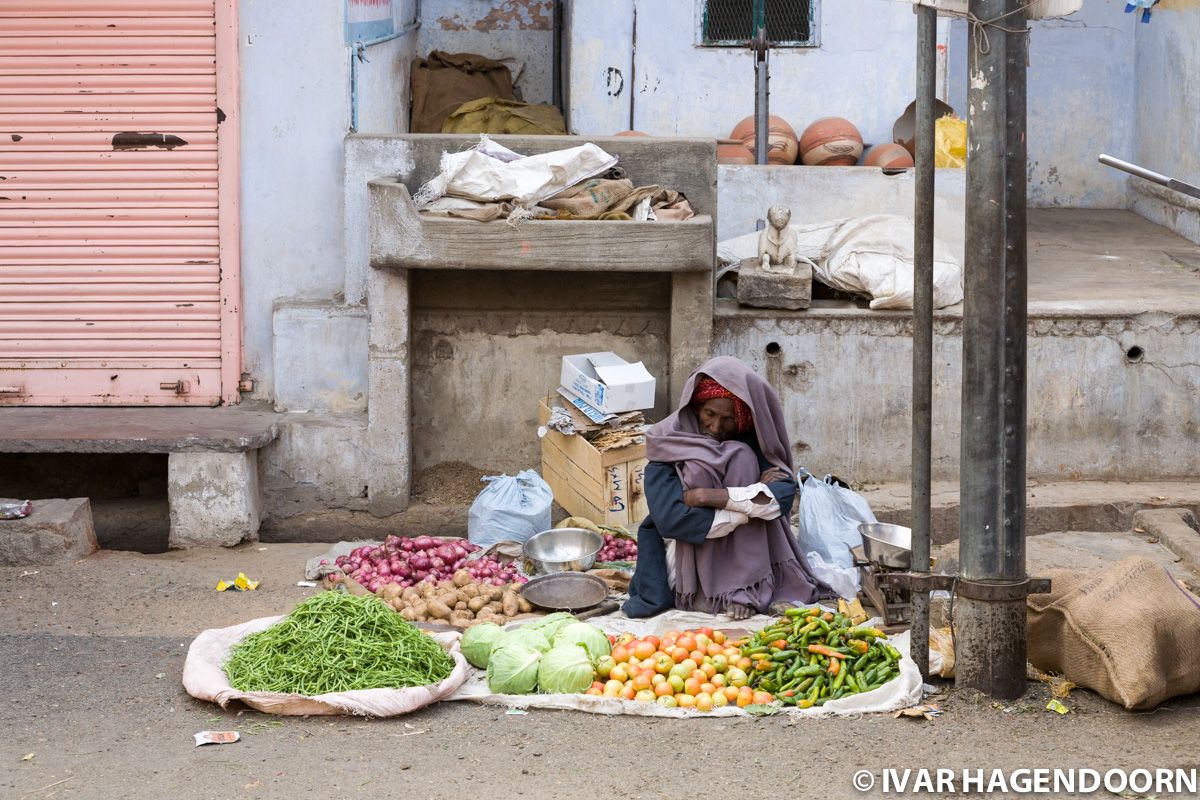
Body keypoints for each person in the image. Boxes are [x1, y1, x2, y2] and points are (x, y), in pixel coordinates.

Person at [623, 356, 828, 620]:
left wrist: (708, 496)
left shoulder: (751, 440)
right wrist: (747, 506)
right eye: (709, 414)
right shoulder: (668, 440)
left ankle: (744, 586)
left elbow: (783, 496)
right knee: (730, 465)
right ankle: (710, 591)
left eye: (728, 419)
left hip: (742, 553)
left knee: (741, 456)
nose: (716, 427)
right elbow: (672, 519)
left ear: (742, 419)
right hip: (686, 552)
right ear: (696, 407)